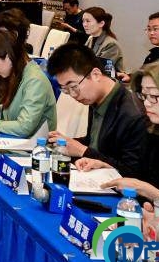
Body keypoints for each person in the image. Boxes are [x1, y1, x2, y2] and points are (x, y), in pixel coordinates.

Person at [78, 59, 159, 196]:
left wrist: (146, 190)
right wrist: (107, 167)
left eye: (153, 96)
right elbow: (137, 174)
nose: (147, 103)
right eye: (144, 96)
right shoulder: (156, 132)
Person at [46, 43, 146, 175]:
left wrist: (82, 150)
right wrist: (66, 143)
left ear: (96, 74)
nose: (73, 95)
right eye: (65, 90)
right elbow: (95, 143)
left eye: (74, 87)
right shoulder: (97, 98)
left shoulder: (132, 114)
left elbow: (131, 171)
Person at [81, 6, 126, 79]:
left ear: (101, 23)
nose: (84, 24)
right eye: (83, 21)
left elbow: (100, 69)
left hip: (107, 81)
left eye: (88, 21)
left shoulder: (111, 44)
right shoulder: (90, 38)